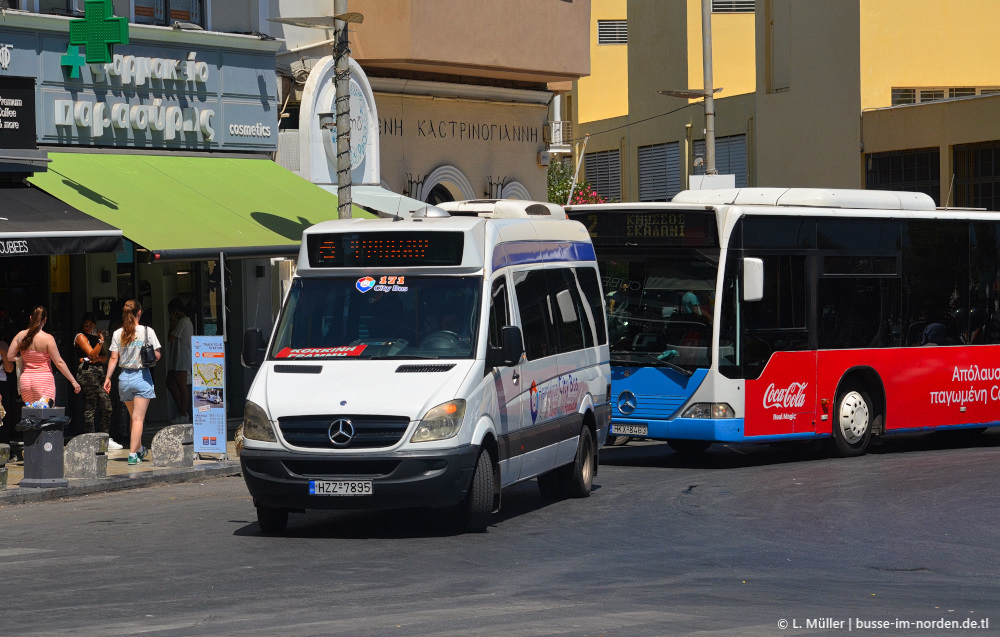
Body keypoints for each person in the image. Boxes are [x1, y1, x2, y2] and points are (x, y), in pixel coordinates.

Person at [102, 300, 161, 465]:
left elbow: (113, 358)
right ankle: (133, 454)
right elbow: (157, 355)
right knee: (138, 419)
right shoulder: (147, 331)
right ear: (139, 313)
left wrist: (107, 378)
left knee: (133, 417)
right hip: (141, 376)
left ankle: (140, 449)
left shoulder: (117, 333)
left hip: (124, 378)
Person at [6, 306, 81, 405]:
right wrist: (73, 381)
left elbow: (9, 356)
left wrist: (22, 358)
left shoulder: (20, 336)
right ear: (45, 320)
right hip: (43, 381)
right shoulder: (48, 338)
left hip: (26, 381)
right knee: (46, 416)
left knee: (31, 415)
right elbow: (59, 362)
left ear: (30, 318)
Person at [74, 313, 122, 449]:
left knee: (107, 406)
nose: (88, 328)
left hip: (99, 374)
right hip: (87, 374)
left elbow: (104, 356)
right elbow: (92, 354)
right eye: (86, 325)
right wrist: (100, 342)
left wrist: (97, 356)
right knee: (91, 406)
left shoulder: (94, 337)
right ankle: (90, 438)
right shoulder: (80, 337)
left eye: (91, 325)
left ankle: (104, 438)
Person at [166, 298, 193, 423]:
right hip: (177, 358)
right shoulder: (183, 322)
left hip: (182, 358)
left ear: (175, 312)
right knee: (170, 383)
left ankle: (183, 414)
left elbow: (171, 337)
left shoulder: (183, 322)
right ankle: (183, 410)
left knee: (182, 386)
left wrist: (172, 322)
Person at [0, 334, 13, 445]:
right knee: (2, 416)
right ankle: (4, 448)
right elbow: (9, 368)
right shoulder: (2, 345)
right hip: (1, 382)